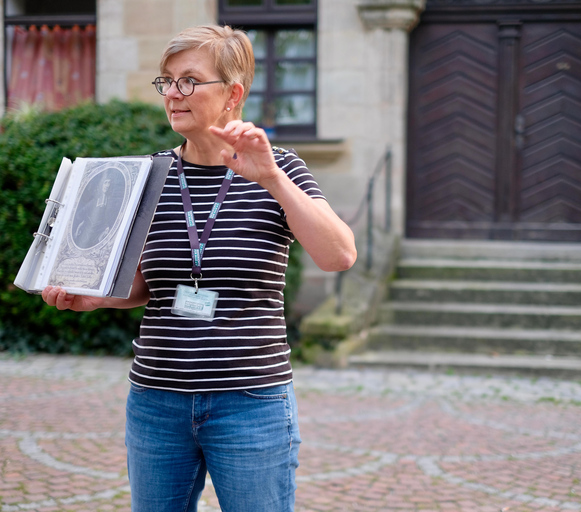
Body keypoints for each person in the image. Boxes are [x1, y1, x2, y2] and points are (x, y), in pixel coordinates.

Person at [40, 24, 356, 512]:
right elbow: (148, 282)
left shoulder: (281, 168)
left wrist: (271, 177)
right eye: (166, 81)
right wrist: (98, 296)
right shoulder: (146, 174)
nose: (172, 93)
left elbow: (339, 255)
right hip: (156, 399)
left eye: (189, 80)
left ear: (233, 93)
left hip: (249, 401)